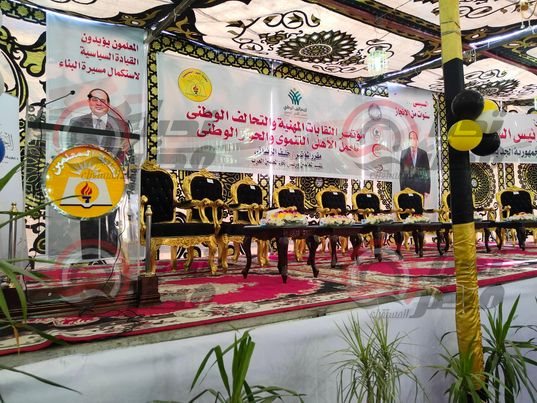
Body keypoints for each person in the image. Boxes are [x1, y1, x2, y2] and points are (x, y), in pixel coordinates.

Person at [68, 88, 128, 261]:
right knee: (88, 216)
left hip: (111, 177)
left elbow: (125, 150)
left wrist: (127, 146)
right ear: (89, 102)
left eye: (103, 100)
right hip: (86, 176)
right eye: (95, 99)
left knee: (110, 218)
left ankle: (110, 256)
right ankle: (90, 257)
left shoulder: (121, 124)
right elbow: (71, 147)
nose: (99, 103)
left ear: (108, 104)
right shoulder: (77, 122)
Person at [399, 130, 430, 197]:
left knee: (419, 204)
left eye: (414, 138)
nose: (412, 140)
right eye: (411, 138)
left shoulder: (423, 153)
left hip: (421, 188)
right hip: (407, 189)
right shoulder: (404, 153)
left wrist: (427, 190)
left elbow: (427, 172)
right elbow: (402, 173)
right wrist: (402, 189)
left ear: (417, 141)